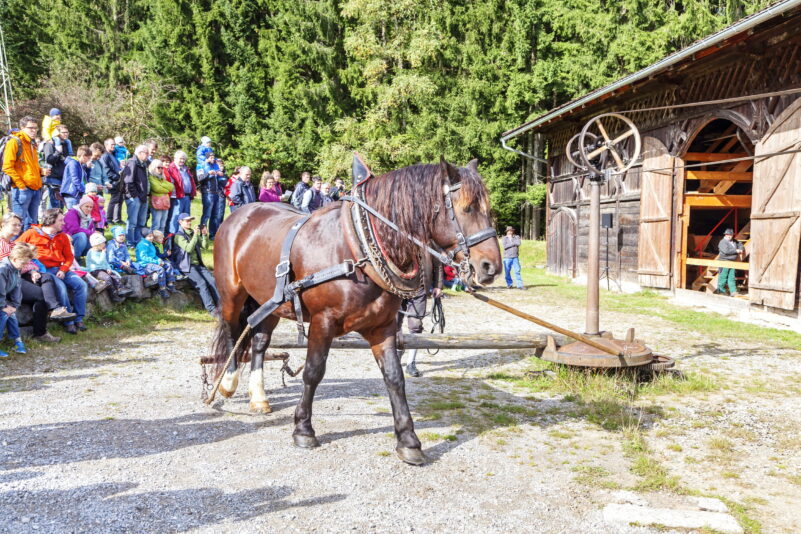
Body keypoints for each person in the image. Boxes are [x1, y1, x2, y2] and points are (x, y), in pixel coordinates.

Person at [0, 214, 71, 341]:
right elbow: (11, 267)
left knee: (47, 277)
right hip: (8, 280)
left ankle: (53, 312)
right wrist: (30, 268)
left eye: (19, 225)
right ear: (3, 225)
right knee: (41, 295)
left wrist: (32, 270)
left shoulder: (12, 243)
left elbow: (27, 261)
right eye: (14, 224)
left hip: (20, 275)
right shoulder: (1, 244)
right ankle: (41, 331)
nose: (18, 227)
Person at [18, 208, 88, 335]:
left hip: (60, 268)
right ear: (51, 221)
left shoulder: (62, 236)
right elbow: (17, 248)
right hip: (43, 270)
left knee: (81, 285)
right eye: (60, 220)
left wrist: (63, 269)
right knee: (60, 288)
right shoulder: (31, 233)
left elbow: (69, 257)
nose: (64, 223)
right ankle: (68, 322)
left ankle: (79, 318)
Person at [398, 263, 444, 377]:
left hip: (420, 287)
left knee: (416, 325)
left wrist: (438, 285)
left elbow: (437, 264)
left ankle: (411, 362)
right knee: (394, 323)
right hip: (396, 286)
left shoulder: (428, 244)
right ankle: (397, 353)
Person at [3, 116, 46, 230]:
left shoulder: (32, 143)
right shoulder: (14, 142)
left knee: (32, 225)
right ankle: (12, 247)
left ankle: (27, 248)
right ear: (22, 128)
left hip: (36, 188)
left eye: (36, 128)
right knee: (17, 225)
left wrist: (41, 171)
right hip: (22, 189)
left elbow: (31, 166)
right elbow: (7, 167)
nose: (34, 130)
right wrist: (20, 185)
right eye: (30, 128)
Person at [173, 213, 219, 317]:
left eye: (190, 220)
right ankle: (212, 310)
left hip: (198, 265)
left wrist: (204, 235)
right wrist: (195, 235)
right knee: (202, 284)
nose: (189, 222)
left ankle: (222, 306)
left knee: (212, 281)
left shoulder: (192, 233)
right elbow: (188, 248)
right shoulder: (178, 236)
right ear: (180, 222)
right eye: (187, 221)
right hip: (187, 266)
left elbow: (205, 246)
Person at [0, 243, 40, 357]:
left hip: (2, 301)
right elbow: (0, 291)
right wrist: (3, 307)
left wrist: (14, 305)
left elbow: (17, 288)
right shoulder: (2, 269)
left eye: (27, 263)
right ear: (14, 259)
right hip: (0, 301)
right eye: (24, 263)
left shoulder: (16, 268)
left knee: (11, 313)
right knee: (3, 314)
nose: (25, 266)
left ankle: (17, 342)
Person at [86, 233, 132, 303]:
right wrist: (103, 253)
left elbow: (105, 262)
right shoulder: (91, 252)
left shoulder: (100, 251)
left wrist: (108, 268)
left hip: (103, 268)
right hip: (95, 270)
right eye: (103, 243)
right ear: (98, 244)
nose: (105, 244)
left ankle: (121, 289)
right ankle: (114, 296)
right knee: (108, 278)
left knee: (114, 276)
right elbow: (99, 262)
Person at [121, 144, 151, 246]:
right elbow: (128, 181)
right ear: (139, 153)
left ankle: (138, 241)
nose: (148, 155)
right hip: (135, 197)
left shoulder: (144, 164)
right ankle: (130, 242)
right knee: (132, 222)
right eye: (146, 153)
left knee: (141, 222)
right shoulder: (132, 162)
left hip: (143, 197)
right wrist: (135, 195)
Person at [136, 228, 177, 299]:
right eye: (149, 236)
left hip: (153, 261)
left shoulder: (151, 244)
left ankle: (170, 284)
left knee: (168, 265)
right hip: (145, 264)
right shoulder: (142, 245)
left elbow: (154, 255)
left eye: (152, 236)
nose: (151, 237)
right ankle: (162, 289)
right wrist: (157, 262)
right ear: (144, 237)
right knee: (160, 269)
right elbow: (143, 257)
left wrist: (159, 260)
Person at [164, 150, 196, 234]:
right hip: (177, 196)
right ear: (175, 158)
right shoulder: (171, 168)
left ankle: (184, 236)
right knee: (175, 217)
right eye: (180, 159)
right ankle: (172, 237)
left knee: (186, 217)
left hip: (187, 196)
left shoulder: (185, 169)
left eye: (184, 159)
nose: (182, 160)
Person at [41, 124, 71, 209]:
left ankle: (59, 221)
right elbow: (49, 159)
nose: (66, 134)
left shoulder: (66, 144)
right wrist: (58, 152)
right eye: (63, 132)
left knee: (61, 203)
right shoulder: (49, 144)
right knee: (55, 203)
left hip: (63, 178)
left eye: (67, 132)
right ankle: (51, 221)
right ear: (57, 133)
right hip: (53, 177)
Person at [60, 145, 91, 209]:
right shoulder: (73, 163)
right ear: (83, 156)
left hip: (78, 194)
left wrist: (88, 169)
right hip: (72, 194)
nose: (88, 160)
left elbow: (85, 179)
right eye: (88, 158)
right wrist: (83, 190)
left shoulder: (81, 165)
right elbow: (75, 179)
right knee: (72, 215)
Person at [197, 150, 222, 230]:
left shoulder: (215, 165)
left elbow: (220, 174)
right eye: (211, 157)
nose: (213, 159)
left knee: (215, 214)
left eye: (213, 157)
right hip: (207, 192)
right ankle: (202, 233)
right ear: (207, 158)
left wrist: (220, 173)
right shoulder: (200, 165)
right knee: (207, 214)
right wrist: (208, 173)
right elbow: (200, 178)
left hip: (216, 192)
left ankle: (212, 234)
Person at [147, 159, 174, 234]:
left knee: (163, 225)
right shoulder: (151, 177)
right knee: (156, 224)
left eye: (162, 168)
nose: (161, 169)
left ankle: (160, 241)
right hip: (156, 204)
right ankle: (153, 241)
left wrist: (162, 186)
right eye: (158, 167)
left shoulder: (162, 178)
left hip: (165, 204)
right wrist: (166, 189)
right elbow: (156, 188)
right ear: (153, 167)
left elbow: (171, 186)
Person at [717, 228, 745, 296]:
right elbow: (726, 251)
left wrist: (741, 249)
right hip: (724, 261)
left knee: (732, 277)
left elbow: (741, 245)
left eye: (730, 235)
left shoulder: (734, 241)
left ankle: (733, 291)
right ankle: (721, 290)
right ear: (725, 235)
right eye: (728, 235)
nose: (729, 236)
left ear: (732, 235)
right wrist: (736, 251)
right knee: (723, 276)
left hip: (732, 261)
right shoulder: (722, 242)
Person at [102, 138, 124, 224]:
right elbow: (106, 170)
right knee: (114, 200)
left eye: (114, 144)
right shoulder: (105, 156)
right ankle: (109, 219)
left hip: (118, 180)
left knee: (119, 199)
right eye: (112, 144)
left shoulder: (113, 154)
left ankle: (117, 218)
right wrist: (116, 177)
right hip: (112, 181)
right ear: (106, 145)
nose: (114, 146)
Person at [502, 226, 524, 290]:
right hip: (507, 257)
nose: (510, 232)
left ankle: (519, 285)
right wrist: (514, 243)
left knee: (517, 271)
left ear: (512, 231)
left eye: (511, 230)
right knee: (507, 272)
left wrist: (512, 243)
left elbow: (519, 243)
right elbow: (505, 246)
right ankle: (509, 284)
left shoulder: (516, 237)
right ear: (507, 231)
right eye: (509, 231)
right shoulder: (504, 238)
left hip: (515, 257)